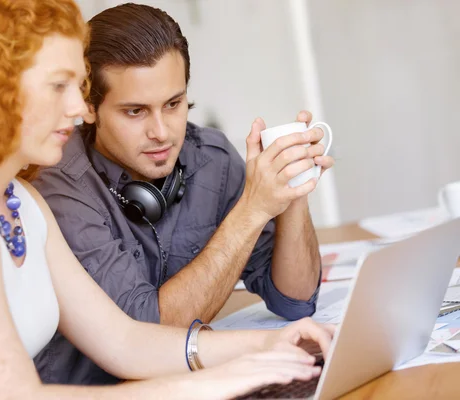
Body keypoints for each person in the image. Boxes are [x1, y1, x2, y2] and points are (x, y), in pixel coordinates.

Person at [0, 1, 336, 399]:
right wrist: (211, 383)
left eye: (78, 86)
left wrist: (269, 343)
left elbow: (125, 341)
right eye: (60, 85)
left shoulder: (21, 200)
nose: (77, 107)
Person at [32, 3, 335, 385]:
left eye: (173, 104)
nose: (161, 132)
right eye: (135, 111)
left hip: (192, 381)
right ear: (89, 106)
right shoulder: (60, 188)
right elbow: (148, 335)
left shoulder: (212, 158)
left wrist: (292, 187)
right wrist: (251, 211)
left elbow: (294, 300)